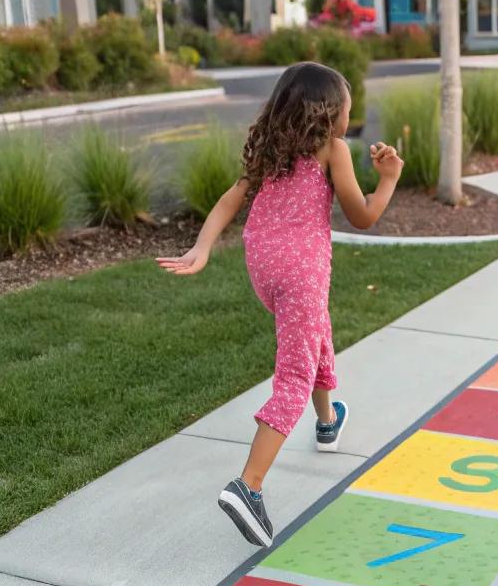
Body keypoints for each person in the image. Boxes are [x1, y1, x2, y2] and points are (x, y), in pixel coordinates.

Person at [158, 61, 404, 546]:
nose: (349, 119)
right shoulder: (332, 150)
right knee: (294, 373)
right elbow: (364, 216)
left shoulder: (273, 150)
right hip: (301, 271)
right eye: (347, 111)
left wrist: (202, 247)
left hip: (264, 267)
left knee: (316, 334)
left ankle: (329, 421)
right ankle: (247, 487)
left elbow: (232, 199)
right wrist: (389, 178)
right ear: (329, 114)